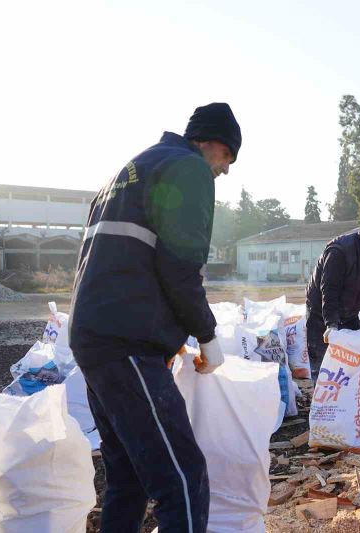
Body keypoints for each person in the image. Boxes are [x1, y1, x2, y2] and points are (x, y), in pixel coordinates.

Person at [69, 103, 241, 533]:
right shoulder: (189, 168)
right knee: (183, 477)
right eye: (227, 159)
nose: (224, 171)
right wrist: (206, 334)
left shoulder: (131, 169)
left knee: (127, 474)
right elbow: (181, 265)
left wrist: (168, 330)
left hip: (95, 337)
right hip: (126, 344)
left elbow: (127, 261)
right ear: (213, 143)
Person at [305, 211, 360, 379]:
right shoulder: (340, 250)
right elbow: (329, 290)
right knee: (324, 366)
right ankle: (323, 403)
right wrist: (331, 325)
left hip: (349, 315)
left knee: (349, 364)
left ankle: (345, 403)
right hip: (321, 314)